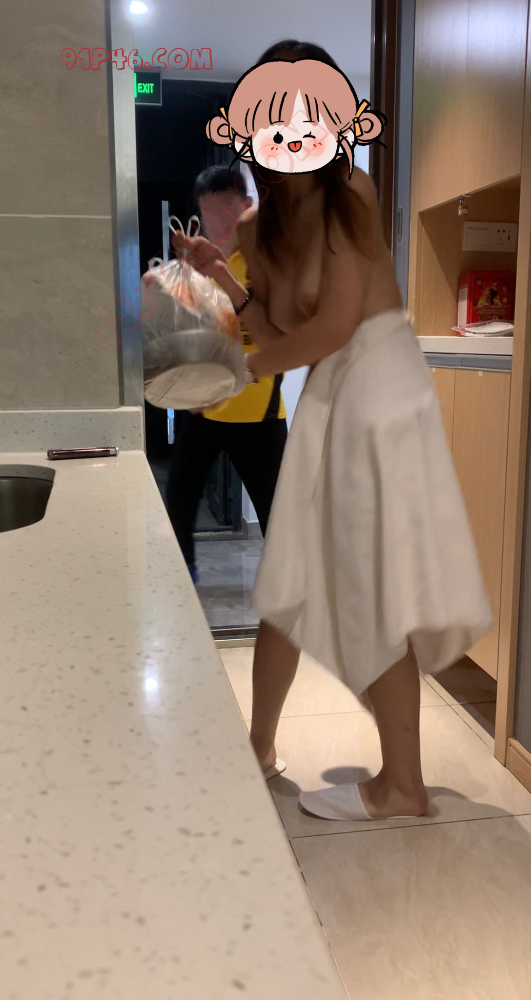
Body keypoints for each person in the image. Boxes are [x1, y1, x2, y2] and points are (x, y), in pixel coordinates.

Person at [177, 40, 491, 821]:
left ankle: (402, 787)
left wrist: (239, 374)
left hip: (376, 389)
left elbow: (339, 325)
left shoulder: (350, 187)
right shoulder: (257, 226)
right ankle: (258, 745)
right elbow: (281, 326)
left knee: (367, 583)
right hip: (329, 394)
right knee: (289, 573)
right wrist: (220, 277)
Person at [167, 165, 287, 584]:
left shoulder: (269, 264)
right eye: (208, 214)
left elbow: (274, 335)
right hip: (203, 406)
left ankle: (285, 590)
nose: (217, 224)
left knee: (277, 513)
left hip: (258, 411)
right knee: (180, 495)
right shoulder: (196, 267)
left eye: (226, 212)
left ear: (249, 207)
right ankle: (183, 578)